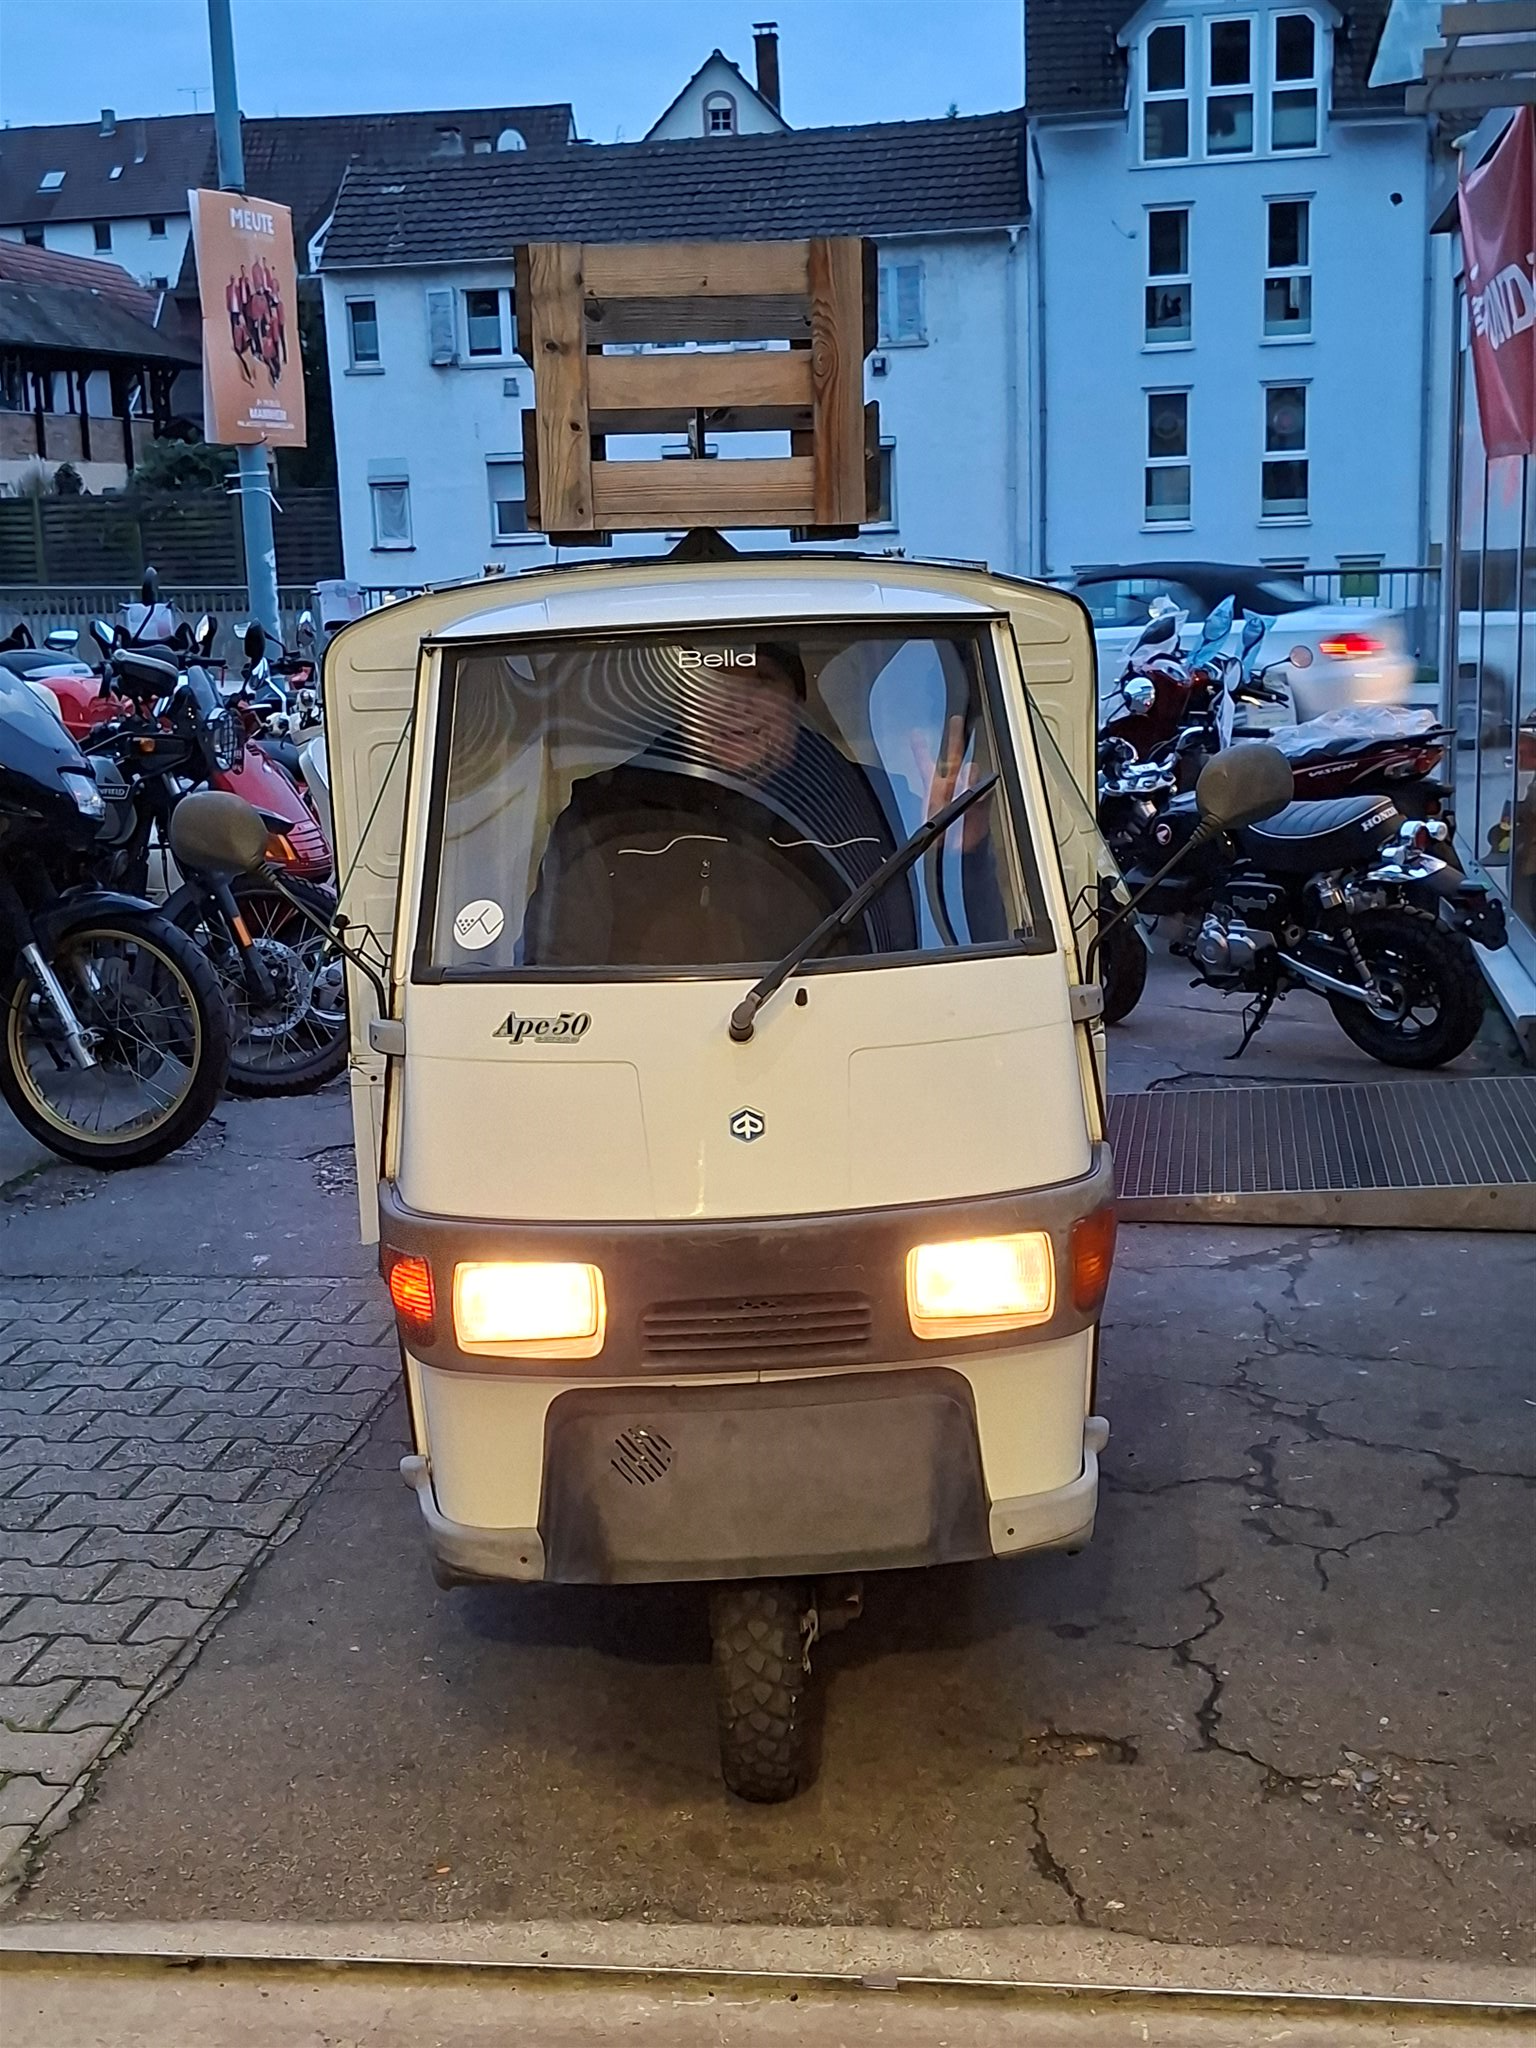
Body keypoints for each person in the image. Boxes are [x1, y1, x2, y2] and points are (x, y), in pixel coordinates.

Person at [521, 643, 918, 969]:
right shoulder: (603, 814)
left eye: (761, 680)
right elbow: (556, 977)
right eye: (714, 681)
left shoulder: (875, 808)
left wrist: (956, 856)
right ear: (685, 701)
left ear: (796, 699)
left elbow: (910, 965)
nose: (735, 703)